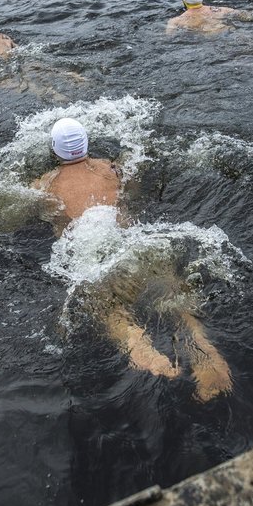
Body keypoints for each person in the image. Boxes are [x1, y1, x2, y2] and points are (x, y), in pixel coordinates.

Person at [31, 119, 233, 402]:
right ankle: (202, 347)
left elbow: (38, 214)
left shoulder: (45, 184)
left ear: (55, 150)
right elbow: (133, 193)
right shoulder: (112, 168)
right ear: (86, 144)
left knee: (108, 308)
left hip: (96, 254)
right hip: (136, 244)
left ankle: (134, 342)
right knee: (172, 294)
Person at [166, 0, 249, 33]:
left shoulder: (176, 21)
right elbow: (248, 15)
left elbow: (169, 38)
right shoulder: (223, 10)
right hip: (226, 31)